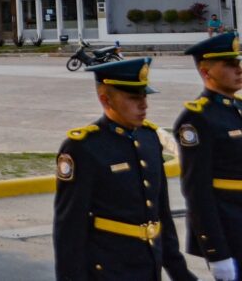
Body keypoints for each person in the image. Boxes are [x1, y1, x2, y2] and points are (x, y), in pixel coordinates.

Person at [53, 57, 196, 280]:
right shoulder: (84, 147)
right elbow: (69, 230)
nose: (144, 105)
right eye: (133, 98)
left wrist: (181, 273)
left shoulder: (149, 139)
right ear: (105, 99)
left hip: (149, 267)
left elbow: (162, 215)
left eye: (144, 96)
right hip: (109, 269)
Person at [174, 31, 242, 281]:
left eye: (238, 63)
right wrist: (217, 253)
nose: (239, 69)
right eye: (229, 65)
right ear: (206, 72)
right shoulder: (197, 119)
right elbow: (197, 191)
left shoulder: (237, 109)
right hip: (233, 232)